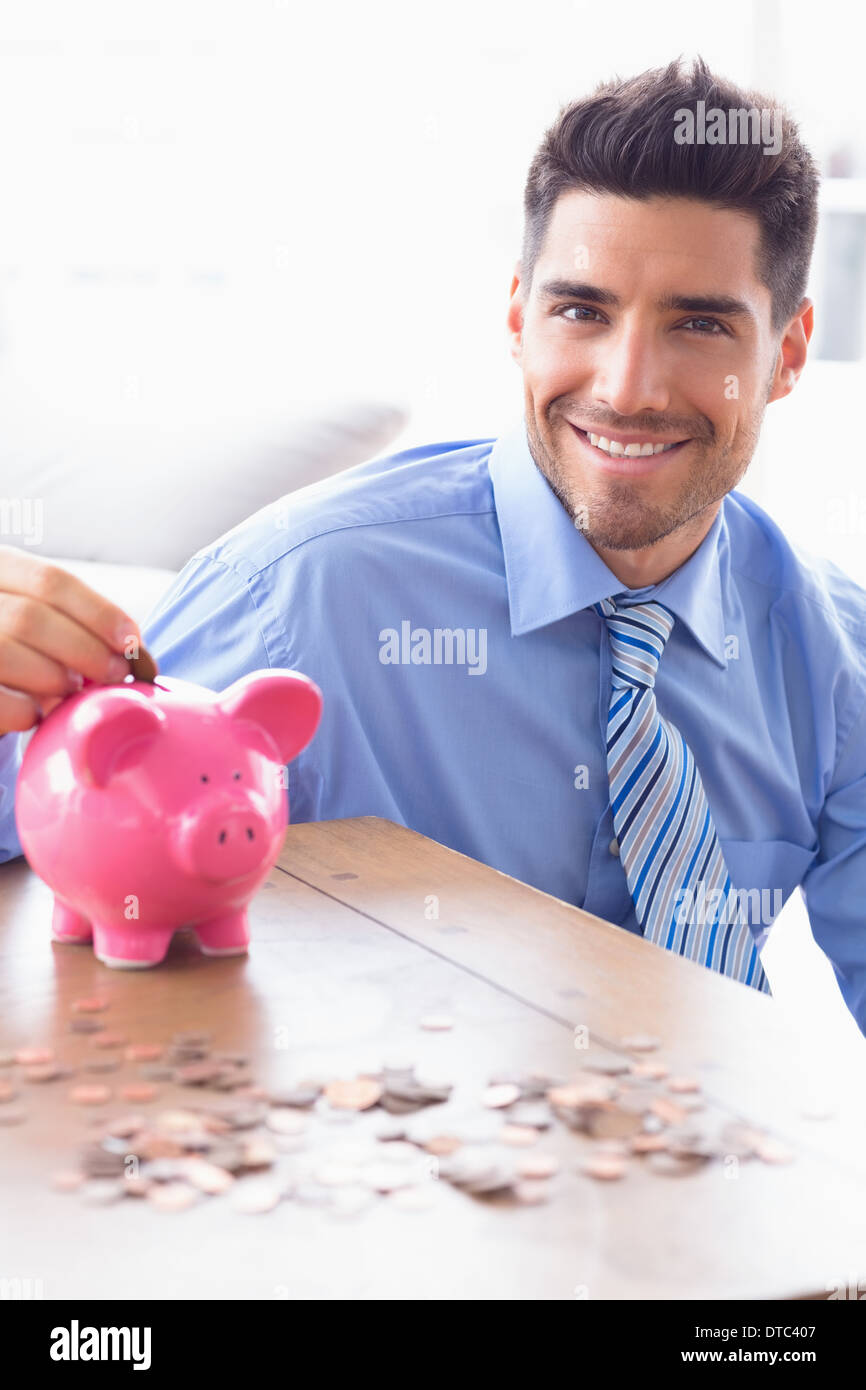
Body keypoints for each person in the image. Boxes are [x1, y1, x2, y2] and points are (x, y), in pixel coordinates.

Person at [1, 58, 864, 1032]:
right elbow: (48, 835)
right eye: (580, 310)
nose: (627, 387)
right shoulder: (298, 599)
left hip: (722, 1159)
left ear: (784, 354)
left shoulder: (831, 654)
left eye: (698, 324)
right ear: (515, 318)